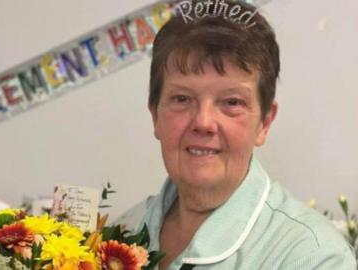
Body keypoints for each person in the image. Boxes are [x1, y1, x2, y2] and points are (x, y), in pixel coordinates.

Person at [116, 0, 357, 269]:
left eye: (232, 102)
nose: (204, 122)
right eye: (182, 98)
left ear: (264, 122)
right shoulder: (120, 231)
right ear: (155, 115)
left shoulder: (314, 256)